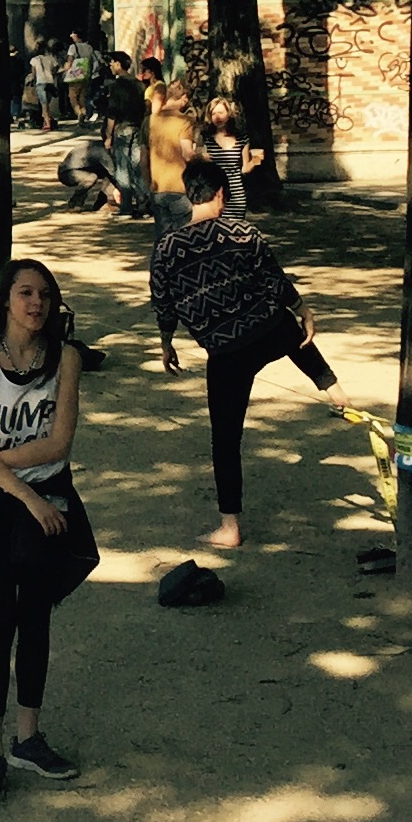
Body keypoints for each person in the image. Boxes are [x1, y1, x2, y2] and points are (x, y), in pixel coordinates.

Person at [0, 260, 95, 799]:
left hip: (48, 495)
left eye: (46, 295)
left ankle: (28, 738)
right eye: (26, 293)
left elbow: (58, 443)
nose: (37, 303)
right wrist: (20, 490)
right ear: (5, 300)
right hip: (8, 504)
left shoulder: (67, 359)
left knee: (35, 620)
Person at [149, 160, 350, 550]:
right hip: (266, 329)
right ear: (222, 193)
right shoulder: (243, 232)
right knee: (293, 335)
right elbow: (272, 279)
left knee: (225, 439)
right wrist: (303, 308)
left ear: (189, 193)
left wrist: (167, 341)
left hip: (224, 350)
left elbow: (164, 302)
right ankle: (335, 391)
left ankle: (229, 525)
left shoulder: (167, 250)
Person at [143, 83, 203, 366]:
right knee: (188, 237)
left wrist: (147, 182)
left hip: (158, 188)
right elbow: (188, 153)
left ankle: (160, 281)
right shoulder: (184, 122)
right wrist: (207, 158)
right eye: (186, 95)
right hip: (180, 188)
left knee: (162, 240)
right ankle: (186, 282)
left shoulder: (152, 121)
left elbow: (145, 154)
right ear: (180, 98)